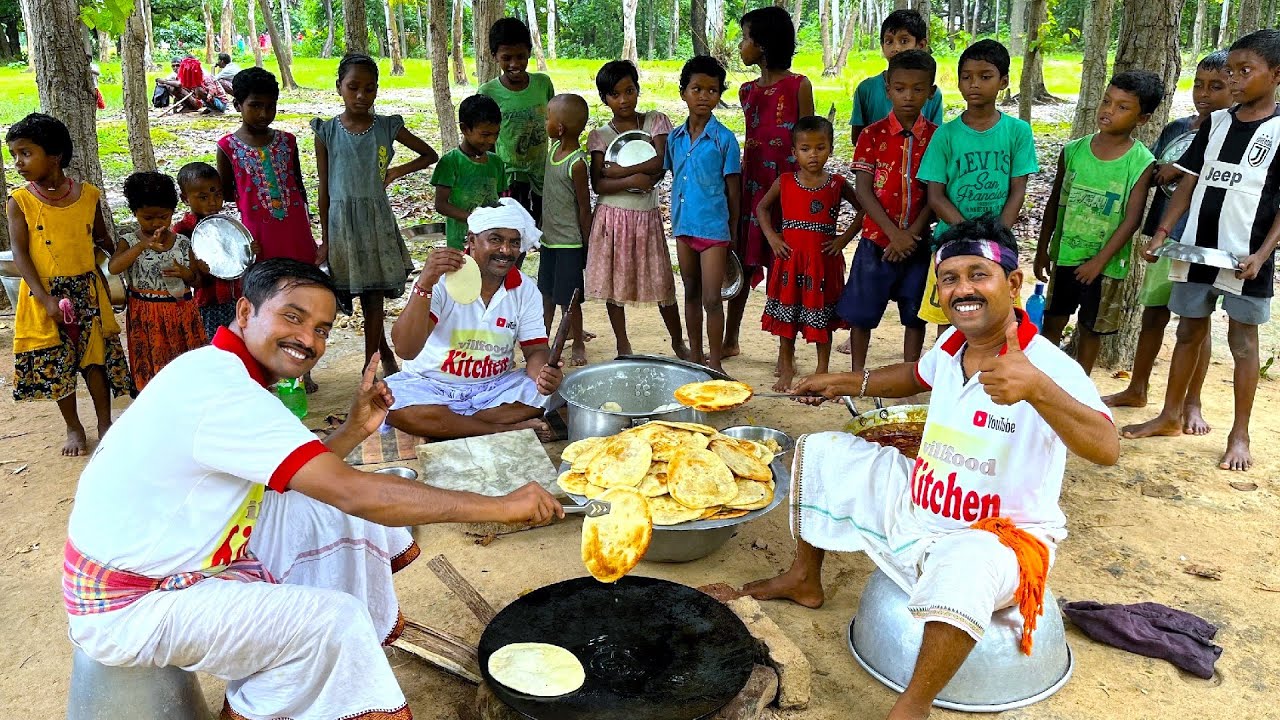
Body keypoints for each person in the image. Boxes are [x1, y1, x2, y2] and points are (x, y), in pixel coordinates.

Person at [64, 258, 564, 720]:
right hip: (130, 605)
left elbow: (318, 480)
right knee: (332, 620)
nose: (308, 339)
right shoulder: (223, 391)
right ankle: (306, 679)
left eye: (321, 329)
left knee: (332, 511)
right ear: (245, 310)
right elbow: (355, 490)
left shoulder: (220, 371)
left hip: (166, 558)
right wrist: (502, 506)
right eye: (293, 317)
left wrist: (353, 430)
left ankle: (341, 651)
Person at [744, 216, 1120, 720]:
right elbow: (913, 376)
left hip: (999, 538)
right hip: (921, 506)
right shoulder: (952, 347)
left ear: (1012, 284)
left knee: (966, 564)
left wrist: (1039, 391)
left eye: (977, 274)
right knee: (825, 450)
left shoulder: (1048, 366)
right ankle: (803, 578)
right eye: (949, 278)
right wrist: (843, 382)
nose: (962, 288)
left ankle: (913, 706)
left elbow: (1106, 447)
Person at [1124, 29, 1280, 473]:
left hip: (1246, 257)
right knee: (1189, 330)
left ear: (1277, 75)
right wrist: (1163, 233)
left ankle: (1240, 432)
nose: (1234, 80)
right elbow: (1189, 180)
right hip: (1195, 249)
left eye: (1244, 71)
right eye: (1230, 70)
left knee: (1243, 343)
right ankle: (1170, 414)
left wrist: (1263, 254)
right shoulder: (1215, 123)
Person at [1103, 51, 1233, 430]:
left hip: (1202, 239)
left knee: (1196, 321)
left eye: (1217, 87)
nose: (1204, 94)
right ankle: (1137, 388)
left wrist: (1180, 169)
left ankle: (1191, 403)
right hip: (1165, 232)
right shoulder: (1178, 128)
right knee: (1154, 313)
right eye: (1199, 84)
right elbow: (1159, 171)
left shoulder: (1229, 132)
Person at [6, 113, 133, 456]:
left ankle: (105, 422)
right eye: (14, 154)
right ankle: (73, 426)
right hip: (44, 295)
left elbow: (104, 240)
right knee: (57, 362)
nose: (18, 162)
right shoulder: (21, 202)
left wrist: (127, 249)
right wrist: (44, 298)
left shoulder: (88, 195)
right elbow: (20, 253)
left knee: (95, 360)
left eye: (26, 153)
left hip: (88, 291)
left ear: (55, 155)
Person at [385, 200, 565, 440]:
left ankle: (449, 426)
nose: (505, 250)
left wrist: (543, 375)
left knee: (556, 390)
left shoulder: (525, 289)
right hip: (429, 386)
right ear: (471, 241)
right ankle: (500, 429)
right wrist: (424, 284)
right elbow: (406, 350)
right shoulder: (441, 281)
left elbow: (535, 350)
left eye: (514, 243)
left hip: (494, 390)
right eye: (495, 239)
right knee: (388, 403)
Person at [313, 53, 439, 377]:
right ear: (338, 87)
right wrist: (326, 240)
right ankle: (380, 353)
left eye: (369, 89)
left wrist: (396, 170)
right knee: (345, 296)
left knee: (373, 298)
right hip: (342, 226)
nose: (360, 96)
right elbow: (324, 190)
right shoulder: (326, 131)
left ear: (377, 90)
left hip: (375, 222)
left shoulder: (385, 127)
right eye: (353, 87)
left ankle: (370, 371)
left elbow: (429, 154)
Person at [1033, 71, 1160, 375]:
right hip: (1065, 254)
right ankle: (1043, 382)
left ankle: (1082, 387)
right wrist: (1042, 248)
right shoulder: (1073, 151)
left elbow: (1132, 220)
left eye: (1122, 107)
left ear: (1142, 119)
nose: (1108, 111)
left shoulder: (1140, 162)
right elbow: (1055, 202)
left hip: (1106, 265)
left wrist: (1098, 263)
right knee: (1053, 320)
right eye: (1107, 101)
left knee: (1091, 329)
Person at [917, 40, 1038, 329]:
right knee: (950, 316)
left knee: (1000, 316)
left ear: (1003, 81)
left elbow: (1017, 190)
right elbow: (936, 196)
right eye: (967, 77)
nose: (974, 84)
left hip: (998, 240)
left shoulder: (1017, 132)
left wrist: (996, 234)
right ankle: (949, 372)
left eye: (985, 77)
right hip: (952, 239)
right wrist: (969, 233)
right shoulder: (945, 135)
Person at [836, 49, 938, 376]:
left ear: (931, 92)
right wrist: (894, 234)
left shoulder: (938, 138)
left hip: (918, 244)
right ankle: (856, 375)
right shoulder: (872, 134)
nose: (908, 96)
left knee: (914, 315)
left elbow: (936, 195)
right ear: (888, 89)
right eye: (900, 88)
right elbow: (864, 191)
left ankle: (910, 375)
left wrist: (910, 236)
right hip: (876, 241)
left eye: (918, 88)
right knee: (862, 315)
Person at [218, 67, 319, 391]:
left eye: (270, 105)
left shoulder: (287, 143)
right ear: (237, 105)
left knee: (302, 301)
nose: (263, 113)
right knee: (269, 304)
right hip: (259, 242)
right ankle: (269, 370)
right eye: (254, 105)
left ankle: (303, 369)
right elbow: (227, 196)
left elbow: (299, 188)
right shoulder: (227, 148)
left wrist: (314, 237)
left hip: (295, 237)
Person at [585, 60, 687, 359]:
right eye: (615, 94)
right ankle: (622, 343)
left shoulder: (655, 121)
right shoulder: (600, 136)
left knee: (661, 281)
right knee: (613, 283)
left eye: (629, 90)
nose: (624, 99)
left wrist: (617, 172)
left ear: (638, 90)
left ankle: (678, 341)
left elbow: (659, 162)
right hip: (611, 217)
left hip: (646, 216)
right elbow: (598, 185)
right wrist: (631, 179)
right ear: (605, 99)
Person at [730, 5, 814, 358]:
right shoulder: (746, 91)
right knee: (743, 262)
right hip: (752, 191)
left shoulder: (799, 85)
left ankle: (787, 350)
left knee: (787, 266)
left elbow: (811, 140)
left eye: (745, 37)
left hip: (789, 192)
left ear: (762, 45)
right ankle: (730, 339)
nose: (741, 45)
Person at [756, 116, 854, 391]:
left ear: (831, 148)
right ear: (794, 152)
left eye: (820, 147)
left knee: (822, 316)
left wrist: (842, 240)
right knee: (788, 316)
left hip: (823, 263)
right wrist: (773, 238)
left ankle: (822, 369)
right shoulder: (785, 181)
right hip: (791, 261)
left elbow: (865, 209)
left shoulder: (836, 183)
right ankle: (787, 364)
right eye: (805, 148)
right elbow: (762, 209)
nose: (813, 154)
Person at [666, 55, 741, 373]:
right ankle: (695, 357)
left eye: (712, 90)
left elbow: (734, 192)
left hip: (714, 231)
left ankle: (714, 363)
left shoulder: (725, 140)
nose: (704, 96)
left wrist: (732, 232)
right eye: (697, 89)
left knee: (713, 299)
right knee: (691, 292)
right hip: (684, 228)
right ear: (683, 92)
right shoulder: (675, 138)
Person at [109, 172, 207, 391]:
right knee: (153, 365)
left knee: (183, 365)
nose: (156, 224)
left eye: (163, 217)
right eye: (148, 218)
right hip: (146, 316)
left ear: (172, 212)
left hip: (181, 313)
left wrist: (185, 273)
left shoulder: (182, 242)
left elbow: (197, 281)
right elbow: (114, 267)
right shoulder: (130, 241)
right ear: (135, 213)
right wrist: (142, 246)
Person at [478, 17, 554, 223]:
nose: (515, 64)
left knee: (543, 228)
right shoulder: (488, 92)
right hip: (508, 177)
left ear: (529, 51)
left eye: (521, 56)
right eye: (507, 57)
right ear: (495, 57)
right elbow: (484, 139)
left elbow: (554, 123)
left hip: (541, 175)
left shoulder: (543, 84)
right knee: (512, 232)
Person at [175, 161, 258, 341]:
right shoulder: (183, 231)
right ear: (185, 198)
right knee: (215, 345)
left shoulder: (228, 225)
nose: (213, 202)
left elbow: (236, 258)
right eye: (203, 197)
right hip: (208, 303)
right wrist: (198, 271)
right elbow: (189, 277)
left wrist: (249, 251)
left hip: (236, 298)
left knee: (241, 342)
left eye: (217, 194)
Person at [539, 93, 592, 367]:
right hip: (549, 241)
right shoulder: (552, 151)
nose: (544, 121)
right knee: (546, 294)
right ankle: (541, 341)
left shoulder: (577, 163)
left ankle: (578, 342)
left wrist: (587, 244)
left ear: (559, 128)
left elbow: (585, 208)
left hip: (570, 244)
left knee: (569, 300)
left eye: (548, 117)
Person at [432, 95, 509, 250]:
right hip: (461, 243)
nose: (492, 140)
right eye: (485, 135)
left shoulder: (496, 163)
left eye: (496, 134)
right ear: (465, 129)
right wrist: (475, 219)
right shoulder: (451, 162)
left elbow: (501, 198)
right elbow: (441, 205)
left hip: (490, 243)